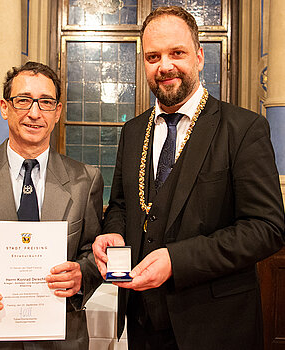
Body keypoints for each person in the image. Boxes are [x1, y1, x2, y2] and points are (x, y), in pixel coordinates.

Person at [92, 6, 285, 350]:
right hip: (142, 324)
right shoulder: (133, 131)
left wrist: (176, 261)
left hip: (216, 327)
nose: (164, 66)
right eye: (153, 56)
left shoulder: (243, 129)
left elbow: (266, 229)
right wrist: (112, 232)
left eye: (176, 53)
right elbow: (121, 205)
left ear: (198, 57)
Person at [0, 61, 103, 350]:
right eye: (23, 100)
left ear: (58, 112)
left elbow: (92, 251)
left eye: (46, 102)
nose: (34, 113)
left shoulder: (85, 179)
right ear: (4, 107)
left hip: (62, 336)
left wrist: (82, 275)